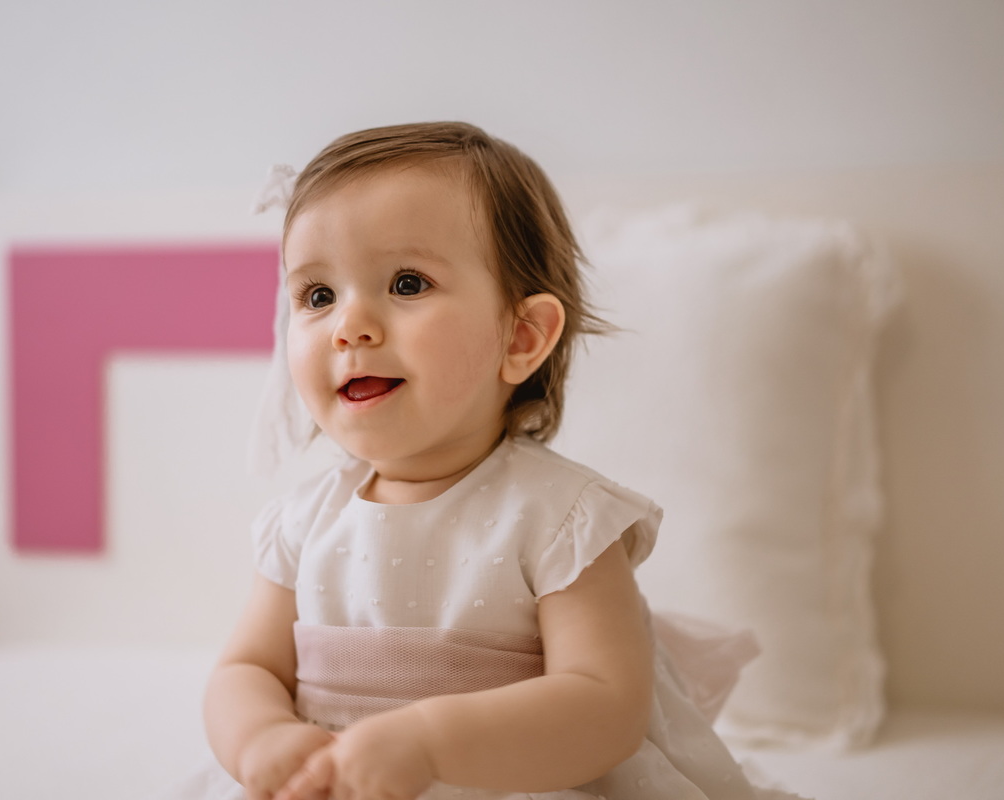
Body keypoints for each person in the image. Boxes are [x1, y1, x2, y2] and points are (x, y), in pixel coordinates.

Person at [199, 122, 799, 800]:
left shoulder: (561, 520)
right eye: (318, 296)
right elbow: (246, 669)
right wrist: (261, 738)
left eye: (406, 283)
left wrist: (430, 744)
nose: (349, 326)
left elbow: (606, 707)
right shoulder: (305, 522)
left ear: (521, 337)